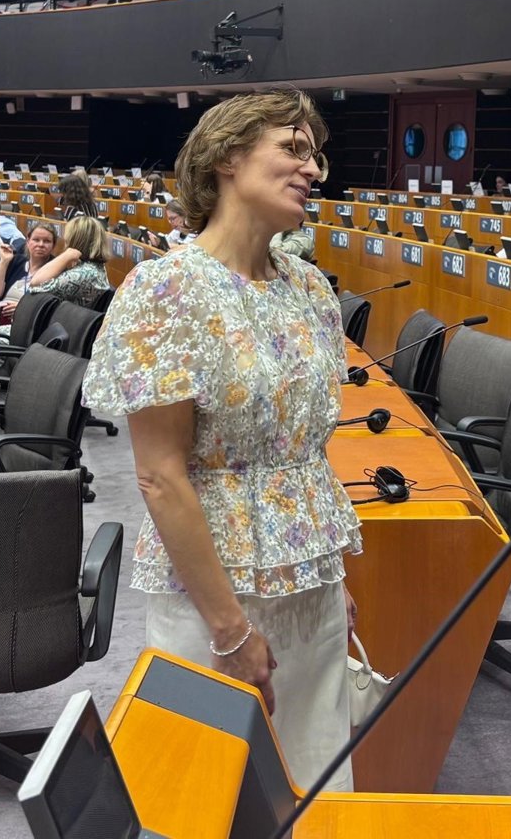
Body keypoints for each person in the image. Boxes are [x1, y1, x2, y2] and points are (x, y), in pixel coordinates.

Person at [82, 89, 361, 792]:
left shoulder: (310, 289)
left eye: (315, 156)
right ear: (227, 158)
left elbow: (304, 451)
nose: (312, 169)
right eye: (292, 150)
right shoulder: (166, 290)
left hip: (313, 589)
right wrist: (230, 630)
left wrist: (331, 578)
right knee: (205, 796)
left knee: (317, 788)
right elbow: (160, 476)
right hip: (216, 598)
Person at [0, 223, 57, 338]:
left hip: (20, 328)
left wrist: (24, 308)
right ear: (28, 242)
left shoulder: (55, 272)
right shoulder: (16, 261)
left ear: (53, 246)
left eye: (47, 241)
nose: (41, 244)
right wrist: (4, 262)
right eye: (36, 240)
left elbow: (51, 309)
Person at [27, 214, 111, 307]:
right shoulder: (94, 267)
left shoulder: (83, 274)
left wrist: (66, 256)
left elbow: (35, 285)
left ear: (75, 240)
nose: (65, 240)